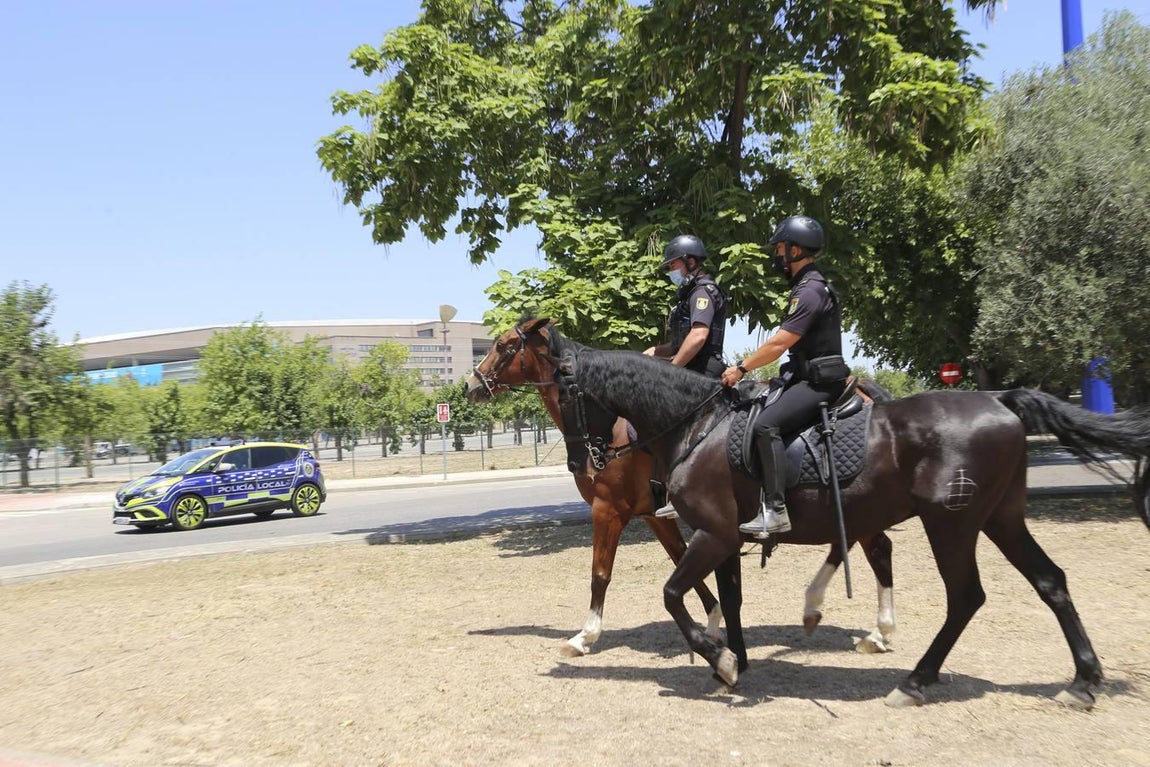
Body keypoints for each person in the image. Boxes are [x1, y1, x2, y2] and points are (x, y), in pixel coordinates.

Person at [720, 215, 850, 537]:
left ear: (795, 250)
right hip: (805, 377)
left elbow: (780, 343)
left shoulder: (809, 291)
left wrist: (741, 368)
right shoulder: (807, 287)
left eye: (780, 248)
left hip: (820, 383)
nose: (777, 255)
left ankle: (776, 511)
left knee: (766, 425)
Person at [645, 234, 728, 518]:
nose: (671, 272)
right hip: (691, 366)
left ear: (690, 262)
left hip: (703, 371)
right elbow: (680, 344)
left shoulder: (703, 292)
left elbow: (699, 336)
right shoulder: (688, 295)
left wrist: (672, 368)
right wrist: (653, 353)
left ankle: (675, 488)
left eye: (673, 265)